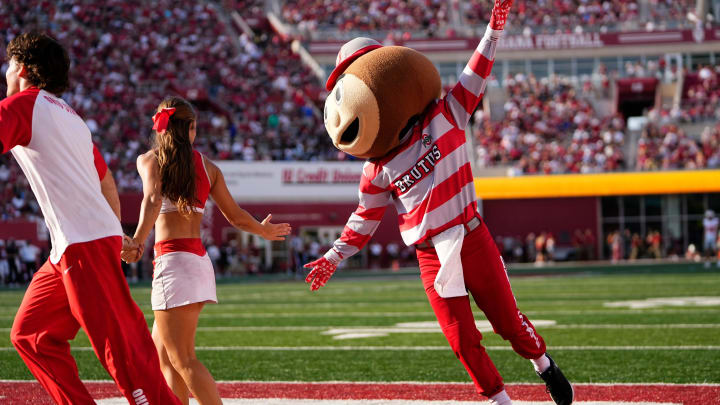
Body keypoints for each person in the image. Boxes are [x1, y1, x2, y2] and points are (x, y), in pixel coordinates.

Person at [303, 1, 573, 404]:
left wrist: (494, 29)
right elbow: (364, 218)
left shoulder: (447, 115)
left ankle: (544, 365)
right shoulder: (377, 168)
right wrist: (333, 255)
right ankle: (501, 401)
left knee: (509, 324)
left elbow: (475, 73)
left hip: (471, 235)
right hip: (430, 253)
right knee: (461, 339)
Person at [2, 32, 181, 404]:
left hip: (83, 243)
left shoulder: (23, 106)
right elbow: (107, 183)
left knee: (123, 354)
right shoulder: (71, 117)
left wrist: (108, 237)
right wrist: (116, 234)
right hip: (75, 244)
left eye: (7, 65)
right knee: (31, 335)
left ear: (20, 67)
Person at [121, 96, 291, 405]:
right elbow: (236, 216)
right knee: (163, 355)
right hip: (198, 264)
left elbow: (151, 200)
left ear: (162, 128)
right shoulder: (208, 167)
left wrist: (136, 241)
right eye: (195, 127)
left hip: (172, 264)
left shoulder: (149, 159)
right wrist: (263, 230)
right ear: (189, 130)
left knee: (183, 359)